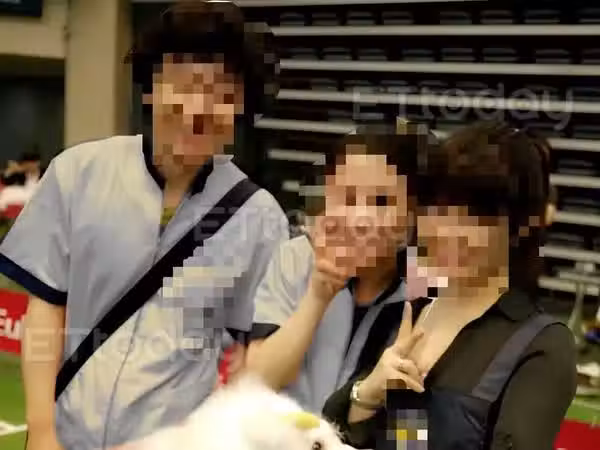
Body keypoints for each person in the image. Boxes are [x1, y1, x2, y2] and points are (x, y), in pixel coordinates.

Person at [0, 2, 287, 449]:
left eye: (221, 93)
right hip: (65, 436)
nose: (198, 109)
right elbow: (47, 307)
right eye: (185, 86)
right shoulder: (79, 172)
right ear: (152, 87)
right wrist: (41, 430)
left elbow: (255, 358)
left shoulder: (259, 217)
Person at [322, 121, 577, 450]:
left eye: (475, 217)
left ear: (519, 228)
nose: (447, 231)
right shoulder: (414, 313)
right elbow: (401, 443)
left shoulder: (542, 345)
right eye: (439, 210)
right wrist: (368, 395)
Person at [246, 123, 437, 413]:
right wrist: (317, 298)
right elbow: (258, 381)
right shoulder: (297, 259)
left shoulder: (426, 289)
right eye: (347, 199)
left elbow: (415, 419)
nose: (360, 219)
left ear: (413, 213)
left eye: (381, 202)